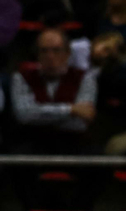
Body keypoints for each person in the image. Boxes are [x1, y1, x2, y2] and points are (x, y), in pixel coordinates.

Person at [8, 28, 96, 161]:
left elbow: (80, 122)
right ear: (37, 54)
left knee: (97, 164)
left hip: (74, 143)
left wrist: (40, 115)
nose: (50, 56)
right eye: (44, 51)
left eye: (56, 50)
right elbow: (24, 115)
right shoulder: (21, 78)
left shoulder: (85, 78)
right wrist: (71, 109)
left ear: (67, 53)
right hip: (33, 142)